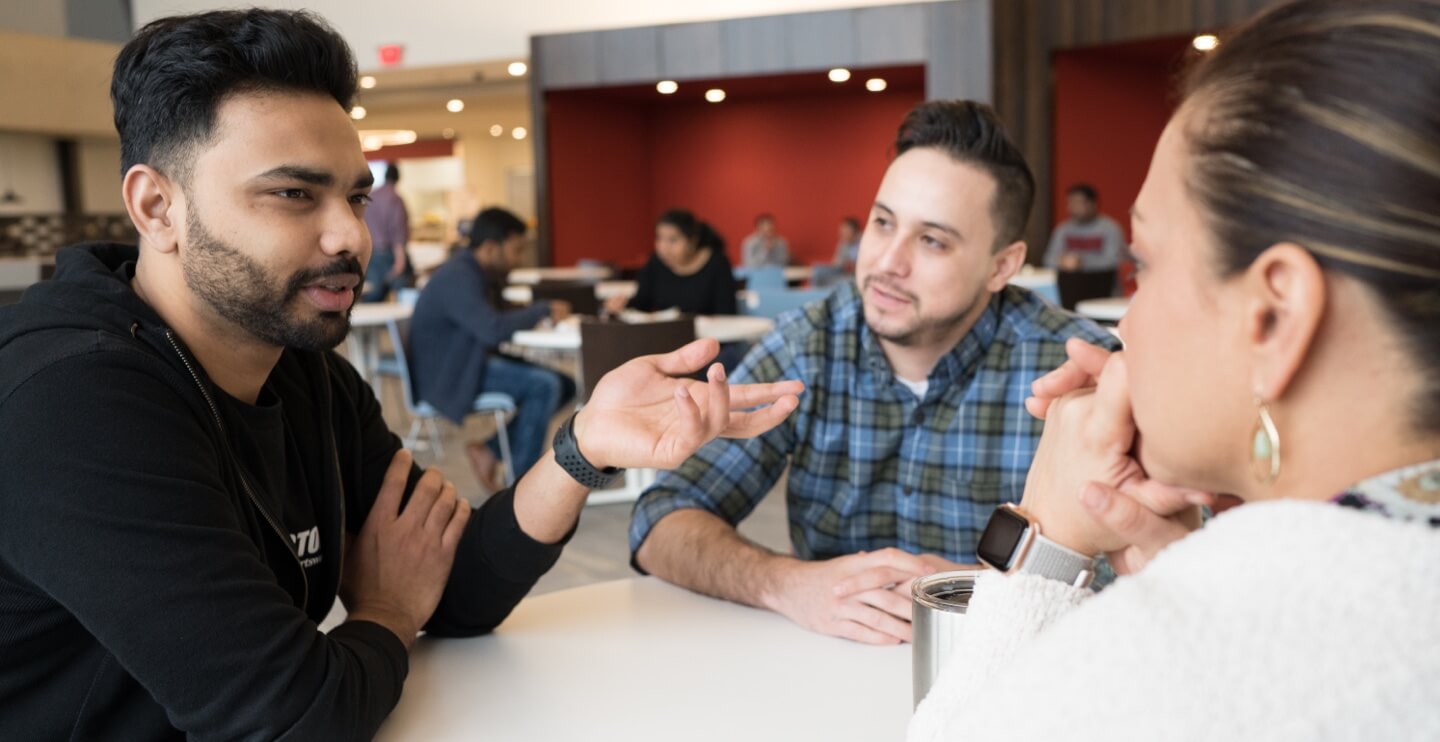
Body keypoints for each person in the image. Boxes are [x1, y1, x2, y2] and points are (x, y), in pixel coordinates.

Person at [0, 10, 803, 741]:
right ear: (156, 208)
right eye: (292, 194)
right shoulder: (71, 400)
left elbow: (449, 592)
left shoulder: (302, 370)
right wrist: (384, 611)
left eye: (355, 195)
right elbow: (292, 717)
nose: (349, 235)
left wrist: (582, 445)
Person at [909, 1, 1440, 739]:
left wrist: (1049, 538)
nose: (1124, 329)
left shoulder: (1175, 669)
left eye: (1144, 266)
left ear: (1275, 317)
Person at [629, 100, 1119, 645]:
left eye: (932, 240)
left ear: (1001, 265)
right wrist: (785, 583)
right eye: (883, 223)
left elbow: (1182, 568)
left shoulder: (1076, 370)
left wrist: (998, 594)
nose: (887, 261)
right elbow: (660, 518)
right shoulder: (807, 344)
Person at [410, 206, 575, 492]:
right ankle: (521, 489)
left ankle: (490, 450)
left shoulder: (476, 273)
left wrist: (534, 311)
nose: (519, 258)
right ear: (489, 247)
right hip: (450, 374)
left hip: (468, 362)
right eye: (516, 250)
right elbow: (491, 329)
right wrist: (540, 310)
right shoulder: (458, 276)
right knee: (544, 385)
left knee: (566, 384)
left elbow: (492, 315)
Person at [604, 208, 739, 317]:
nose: (663, 247)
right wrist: (623, 304)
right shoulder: (655, 263)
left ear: (692, 241)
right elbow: (642, 303)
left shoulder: (717, 264)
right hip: (667, 339)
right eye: (659, 238)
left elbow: (726, 313)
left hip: (708, 343)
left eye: (673, 240)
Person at [1042, 183, 1127, 273]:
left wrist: (1082, 262)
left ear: (1092, 204)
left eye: (1077, 203)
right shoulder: (1062, 229)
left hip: (1103, 283)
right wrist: (1061, 261)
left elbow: (1116, 261)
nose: (1072, 207)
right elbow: (1048, 259)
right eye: (1070, 203)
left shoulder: (1110, 228)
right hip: (1070, 283)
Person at [360, 162, 412, 302]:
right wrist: (400, 260)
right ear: (398, 178)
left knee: (372, 296)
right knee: (399, 294)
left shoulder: (371, 196)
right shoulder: (395, 199)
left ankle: (370, 324)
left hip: (371, 253)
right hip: (388, 256)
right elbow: (398, 232)